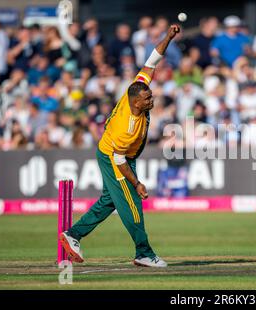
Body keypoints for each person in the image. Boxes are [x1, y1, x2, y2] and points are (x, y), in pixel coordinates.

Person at [59, 24, 181, 268]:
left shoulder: (136, 87)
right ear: (136, 102)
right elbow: (119, 159)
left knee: (109, 200)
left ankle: (73, 235)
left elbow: (152, 60)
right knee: (132, 204)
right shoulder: (127, 127)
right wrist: (137, 183)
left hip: (116, 153)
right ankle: (144, 252)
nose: (152, 99)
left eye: (151, 95)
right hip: (116, 157)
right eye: (147, 99)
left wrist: (167, 37)